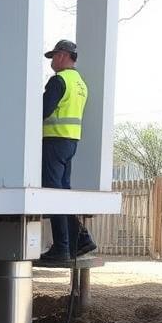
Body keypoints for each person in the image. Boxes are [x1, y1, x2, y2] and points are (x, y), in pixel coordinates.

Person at [38, 40, 96, 263]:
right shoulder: (80, 83)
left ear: (62, 55)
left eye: (53, 56)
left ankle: (62, 247)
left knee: (54, 194)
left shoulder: (59, 80)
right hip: (70, 142)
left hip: (54, 140)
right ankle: (80, 239)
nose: (52, 61)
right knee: (63, 193)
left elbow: (42, 110)